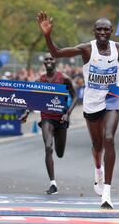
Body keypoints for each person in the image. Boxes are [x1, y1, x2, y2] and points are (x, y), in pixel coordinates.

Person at [36, 11, 119, 209]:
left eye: (106, 29)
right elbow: (57, 53)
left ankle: (107, 193)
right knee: (97, 146)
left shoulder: (118, 48)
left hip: (112, 100)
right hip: (92, 103)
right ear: (94, 32)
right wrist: (47, 35)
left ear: (111, 31)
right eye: (99, 29)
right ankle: (98, 169)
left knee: (109, 138)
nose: (102, 32)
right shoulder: (87, 49)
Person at [19, 53, 78, 195]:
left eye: (51, 59)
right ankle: (53, 183)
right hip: (46, 118)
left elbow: (75, 96)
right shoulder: (40, 80)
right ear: (44, 62)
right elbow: (33, 98)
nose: (49, 61)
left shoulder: (63, 78)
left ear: (55, 61)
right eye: (46, 59)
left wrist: (67, 113)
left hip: (61, 119)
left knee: (60, 153)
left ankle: (58, 149)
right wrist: (27, 112)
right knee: (48, 147)